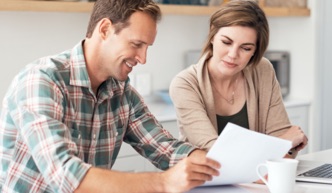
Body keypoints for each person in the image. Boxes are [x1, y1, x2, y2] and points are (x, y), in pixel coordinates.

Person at [0, 0, 220, 192]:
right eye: (136, 45)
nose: (143, 58)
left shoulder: (122, 93)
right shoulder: (43, 81)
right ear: (104, 29)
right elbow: (66, 175)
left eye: (147, 47)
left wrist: (213, 164)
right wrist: (163, 183)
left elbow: (166, 148)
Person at [169, 0, 308, 156]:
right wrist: (282, 143)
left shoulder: (263, 70)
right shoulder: (185, 84)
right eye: (226, 42)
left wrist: (283, 144)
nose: (233, 55)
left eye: (246, 48)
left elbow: (286, 148)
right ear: (212, 36)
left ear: (255, 51)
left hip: (258, 179)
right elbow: (215, 153)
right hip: (207, 180)